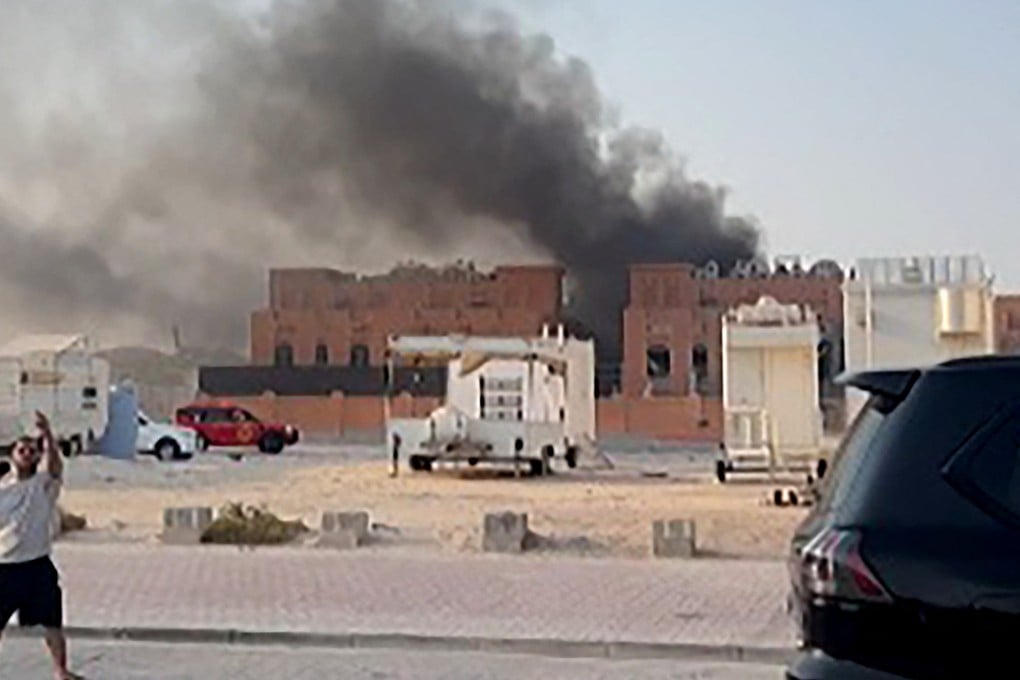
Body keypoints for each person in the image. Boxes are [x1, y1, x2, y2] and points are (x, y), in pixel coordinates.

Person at [0, 411, 81, 680]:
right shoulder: (2, 490)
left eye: (33, 451)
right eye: (22, 450)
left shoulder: (43, 485)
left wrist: (47, 434)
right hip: (5, 567)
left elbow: (56, 467)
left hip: (37, 565)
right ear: (12, 454)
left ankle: (61, 670)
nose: (27, 454)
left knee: (53, 622)